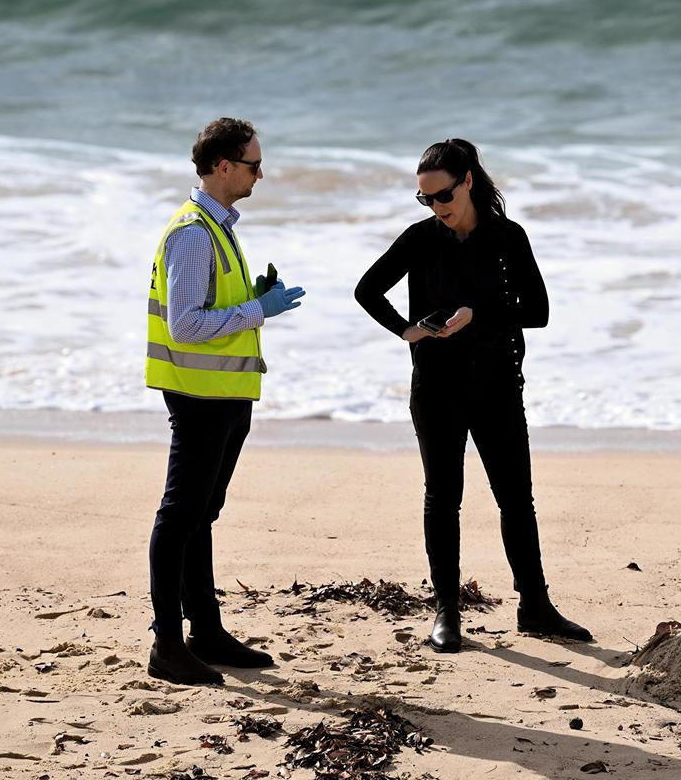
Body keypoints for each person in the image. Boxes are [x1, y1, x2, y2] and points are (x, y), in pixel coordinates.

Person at [354, 138, 591, 653]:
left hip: (497, 385)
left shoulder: (508, 237)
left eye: (442, 196)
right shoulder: (420, 240)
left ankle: (535, 606)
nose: (436, 208)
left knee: (516, 500)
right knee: (443, 498)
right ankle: (447, 612)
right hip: (436, 388)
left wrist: (477, 314)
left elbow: (539, 310)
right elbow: (367, 290)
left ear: (467, 183)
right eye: (425, 200)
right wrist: (406, 329)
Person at [145, 118, 305, 684]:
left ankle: (205, 631)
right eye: (254, 164)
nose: (261, 173)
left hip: (226, 391)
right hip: (200, 394)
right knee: (180, 514)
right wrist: (261, 311)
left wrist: (253, 298)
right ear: (223, 167)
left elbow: (208, 307)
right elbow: (187, 326)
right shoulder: (192, 233)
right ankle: (167, 644)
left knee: (201, 515)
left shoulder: (218, 227)